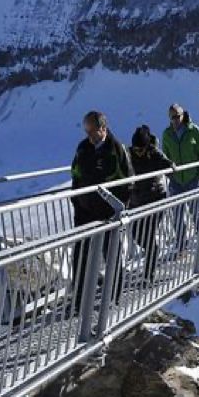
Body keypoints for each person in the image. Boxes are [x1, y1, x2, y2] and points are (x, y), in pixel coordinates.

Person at [70, 111, 134, 309]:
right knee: (81, 255)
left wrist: (119, 207)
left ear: (103, 129)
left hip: (109, 213)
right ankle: (79, 300)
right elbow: (76, 175)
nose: (90, 136)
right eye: (87, 131)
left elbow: (129, 180)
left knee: (112, 254)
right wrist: (78, 201)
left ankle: (113, 298)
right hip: (85, 212)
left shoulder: (117, 149)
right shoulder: (82, 148)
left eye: (93, 131)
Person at [162, 104, 199, 252]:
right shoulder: (167, 134)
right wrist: (169, 172)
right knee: (177, 215)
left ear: (183, 115)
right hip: (176, 180)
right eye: (172, 117)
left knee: (197, 212)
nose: (175, 120)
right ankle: (182, 245)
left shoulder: (194, 131)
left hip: (193, 178)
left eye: (177, 116)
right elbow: (165, 155)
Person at [128, 124, 173, 281]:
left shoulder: (154, 153)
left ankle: (149, 274)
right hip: (136, 201)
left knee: (148, 233)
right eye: (135, 149)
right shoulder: (129, 154)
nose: (138, 152)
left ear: (147, 146)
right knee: (136, 234)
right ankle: (152, 250)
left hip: (155, 199)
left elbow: (167, 162)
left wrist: (170, 166)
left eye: (141, 149)